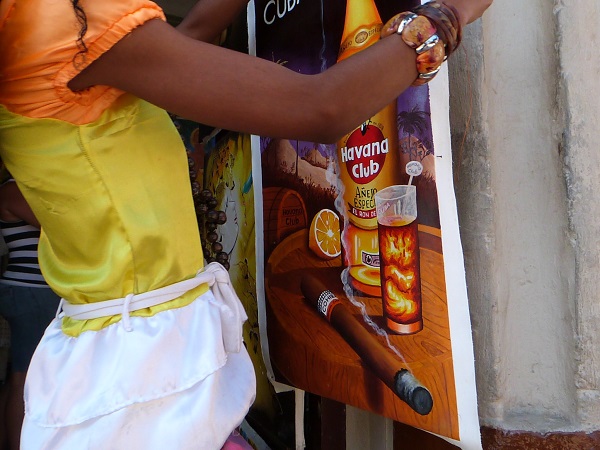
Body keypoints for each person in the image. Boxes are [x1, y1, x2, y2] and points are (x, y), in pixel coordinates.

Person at [0, 0, 493, 448]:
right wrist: (449, 17)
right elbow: (319, 107)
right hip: (142, 371)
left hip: (116, 351)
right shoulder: (61, 22)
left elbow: (191, 33)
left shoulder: (47, 28)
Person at [0, 179, 61, 450]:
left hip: (31, 291)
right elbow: (58, 226)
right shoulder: (12, 189)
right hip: (31, 290)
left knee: (18, 374)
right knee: (25, 377)